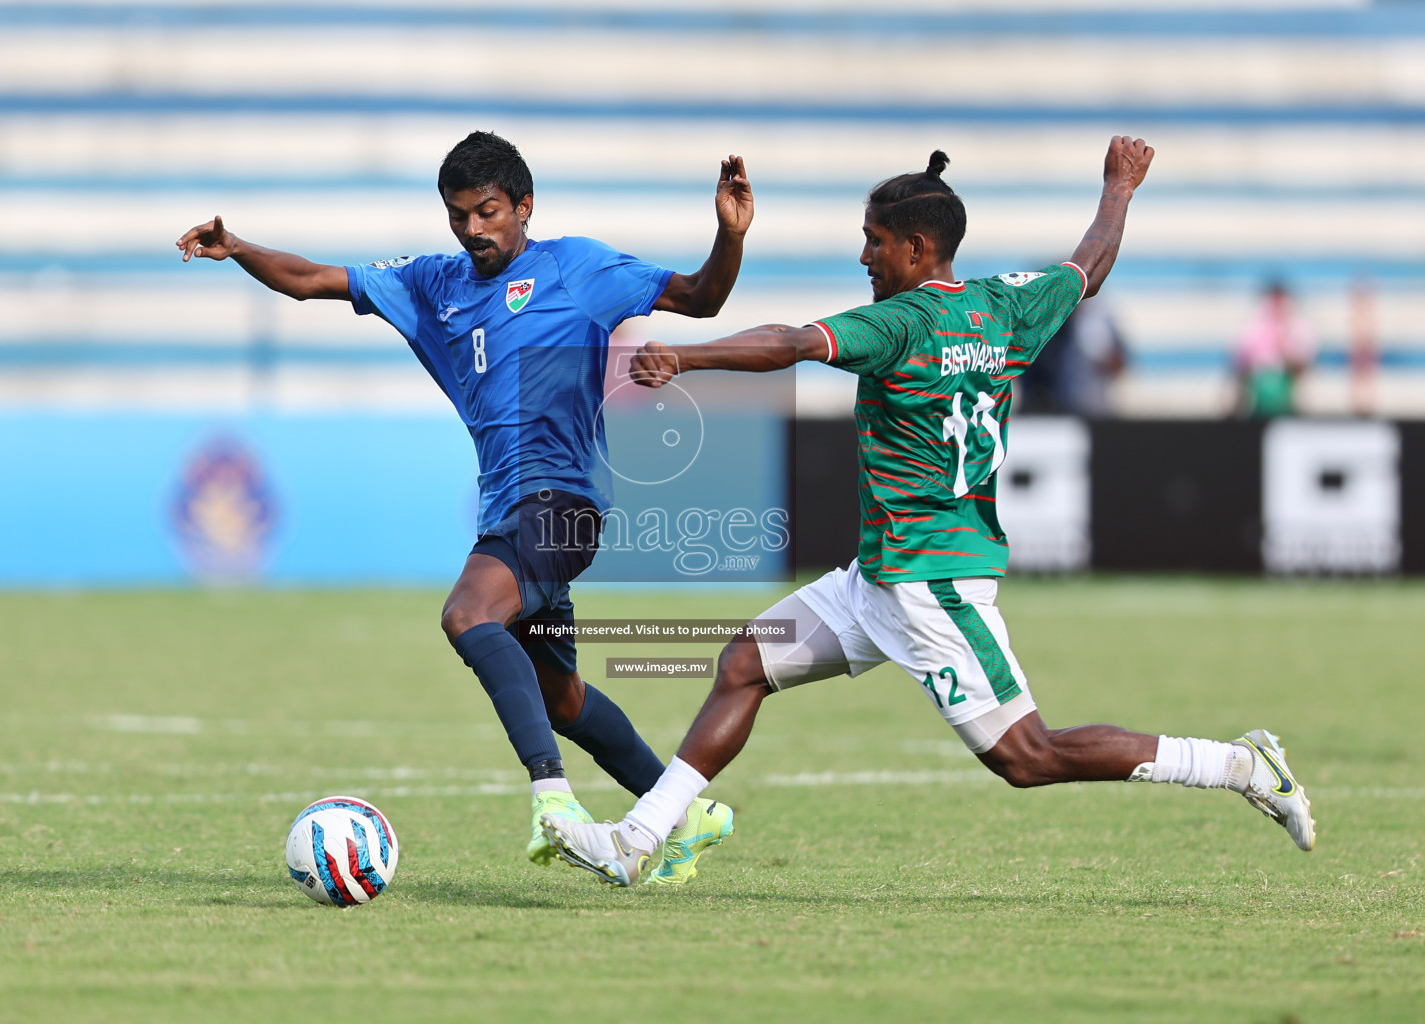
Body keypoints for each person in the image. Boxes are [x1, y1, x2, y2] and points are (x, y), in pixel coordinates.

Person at [544, 136, 1315, 889]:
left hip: (932, 582)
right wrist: (1118, 189)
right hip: (879, 578)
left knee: (1028, 757)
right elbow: (1088, 269)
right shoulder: (1003, 307)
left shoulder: (900, 324)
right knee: (746, 662)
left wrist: (686, 355)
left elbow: (789, 342)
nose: (863, 257)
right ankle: (638, 840)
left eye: (873, 242)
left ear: (917, 248)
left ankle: (1240, 765)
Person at [176, 131, 752, 880]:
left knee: (467, 615)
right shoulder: (431, 285)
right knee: (564, 698)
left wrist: (728, 235)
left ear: (524, 206)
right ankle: (683, 812)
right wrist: (237, 246)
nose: (473, 231)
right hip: (507, 509)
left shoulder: (577, 268)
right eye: (458, 216)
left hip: (563, 503)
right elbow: (313, 278)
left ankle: (555, 800)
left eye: (487, 213)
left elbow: (700, 297)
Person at [1233, 280, 1314, 418]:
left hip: (1288, 392)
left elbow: (1303, 364)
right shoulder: (1253, 327)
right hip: (1258, 392)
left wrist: (1285, 350)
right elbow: (1241, 362)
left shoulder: (1298, 327)